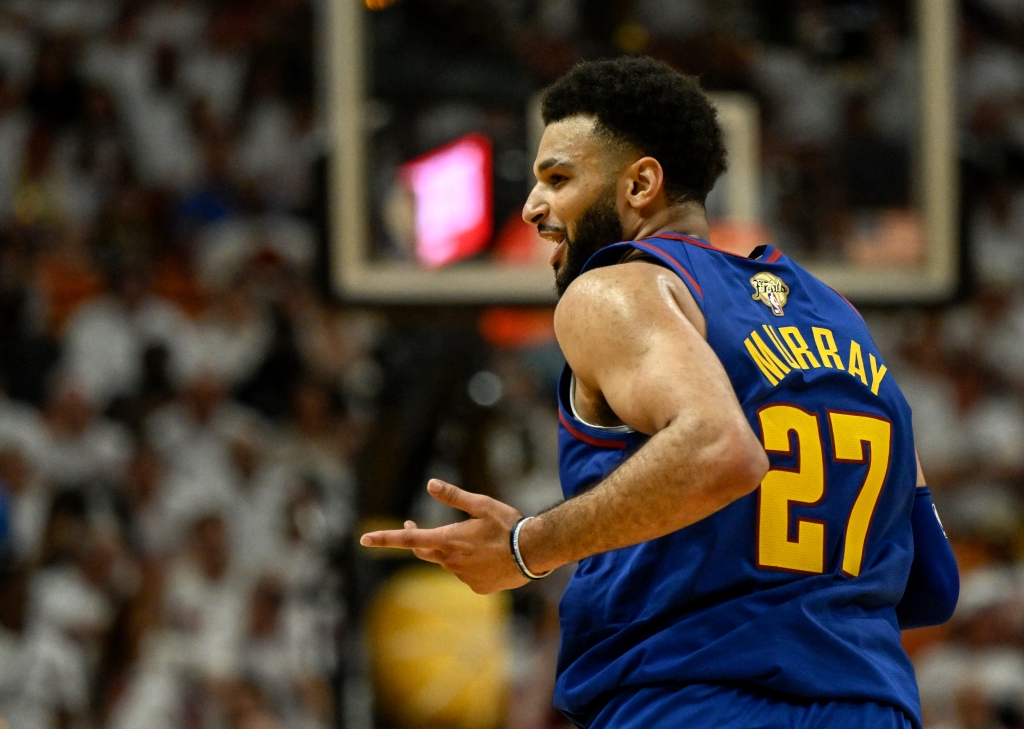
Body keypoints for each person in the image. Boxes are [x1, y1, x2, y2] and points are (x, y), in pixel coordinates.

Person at [360, 57, 959, 729]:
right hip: (873, 706)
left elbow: (720, 449)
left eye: (558, 178)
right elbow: (934, 581)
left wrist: (527, 547)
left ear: (641, 184)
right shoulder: (838, 318)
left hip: (696, 701)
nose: (531, 207)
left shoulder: (617, 289)